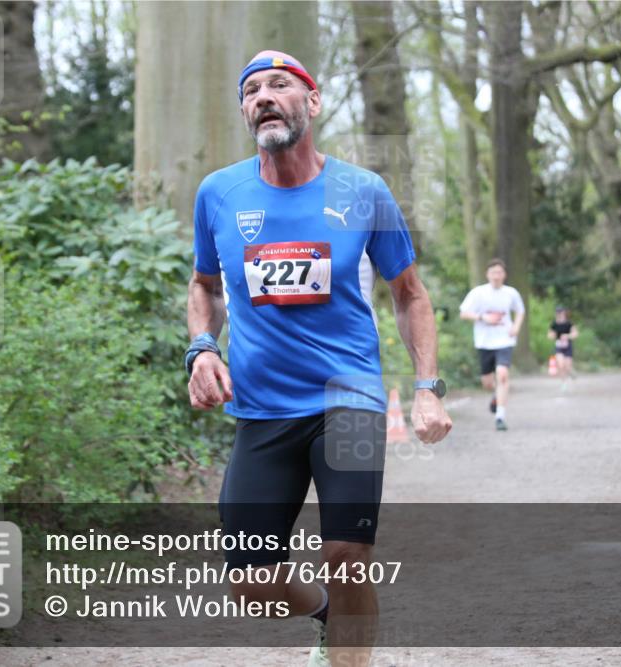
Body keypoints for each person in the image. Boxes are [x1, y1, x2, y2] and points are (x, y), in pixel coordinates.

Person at [185, 50, 452, 667]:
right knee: (252, 587)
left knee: (347, 557)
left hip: (349, 399)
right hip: (262, 409)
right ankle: (330, 616)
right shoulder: (219, 194)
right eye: (251, 91)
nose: (264, 98)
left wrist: (427, 386)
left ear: (314, 101)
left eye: (280, 85)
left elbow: (410, 293)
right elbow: (204, 285)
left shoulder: (364, 191)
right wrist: (202, 347)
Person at [459, 259, 525, 431]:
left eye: (500, 272)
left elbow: (520, 311)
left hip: (505, 340)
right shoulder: (478, 293)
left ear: (504, 275)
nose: (496, 275)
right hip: (484, 342)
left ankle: (500, 416)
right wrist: (483, 318)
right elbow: (463, 313)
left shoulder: (511, 293)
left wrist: (516, 327)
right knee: (487, 382)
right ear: (487, 274)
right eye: (493, 272)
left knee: (502, 374)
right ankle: (497, 395)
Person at [548, 305, 579, 382]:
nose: (559, 314)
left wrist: (567, 336)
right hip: (559, 346)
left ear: (564, 313)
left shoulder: (569, 324)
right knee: (561, 365)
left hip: (568, 346)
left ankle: (571, 372)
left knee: (567, 366)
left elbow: (575, 334)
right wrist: (553, 336)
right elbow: (549, 335)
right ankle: (563, 383)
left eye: (560, 312)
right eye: (557, 312)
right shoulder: (554, 324)